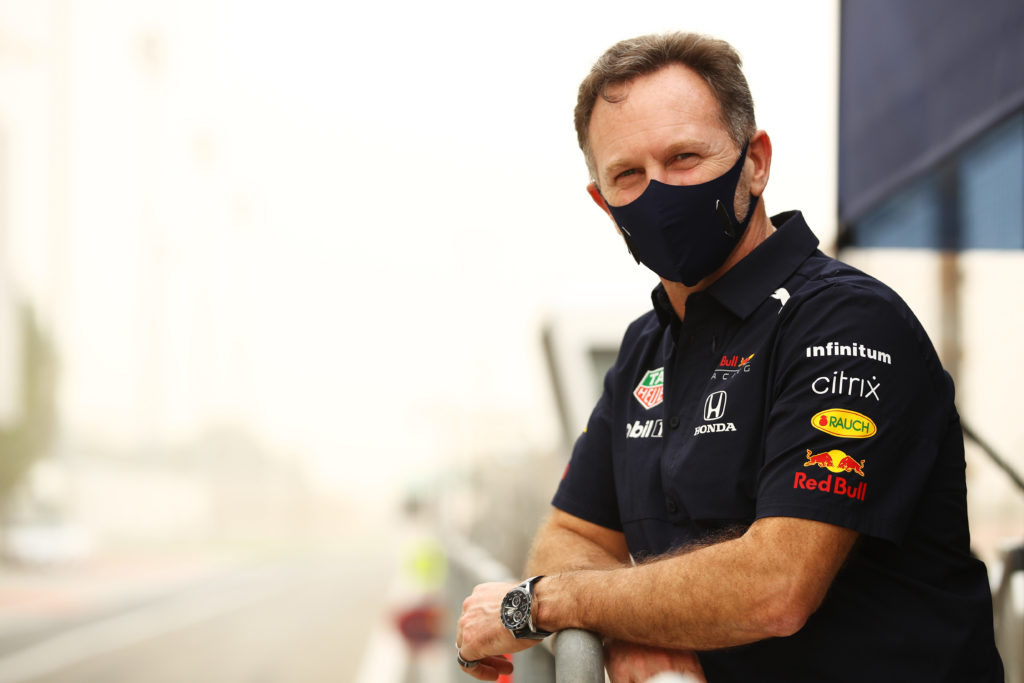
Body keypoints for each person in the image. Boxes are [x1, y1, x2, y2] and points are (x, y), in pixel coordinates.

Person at [456, 32, 1004, 682]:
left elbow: (775, 585)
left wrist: (547, 604)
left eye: (684, 157)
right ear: (603, 202)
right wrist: (628, 637)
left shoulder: (848, 323)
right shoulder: (644, 348)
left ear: (756, 162)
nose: (658, 192)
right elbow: (572, 535)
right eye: (628, 175)